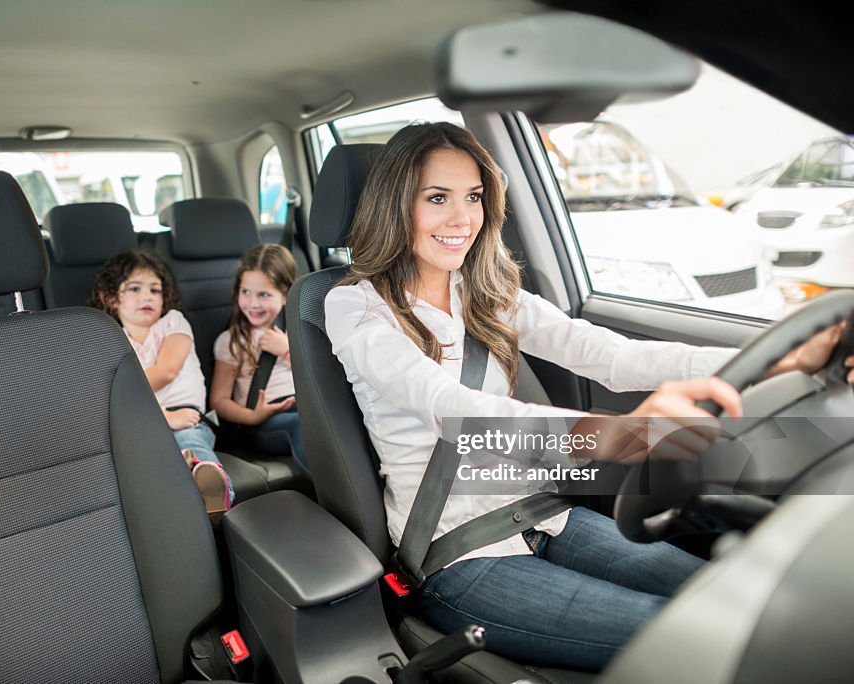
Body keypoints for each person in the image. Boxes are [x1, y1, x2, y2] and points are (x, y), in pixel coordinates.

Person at [323, 122, 853, 671]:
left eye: (474, 197)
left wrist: (780, 358)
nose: (463, 219)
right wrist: (619, 434)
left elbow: (615, 357)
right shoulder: (355, 307)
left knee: (735, 595)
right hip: (458, 554)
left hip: (546, 515)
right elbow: (458, 413)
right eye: (437, 198)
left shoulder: (486, 293)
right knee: (702, 635)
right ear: (392, 206)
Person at [90, 250, 234, 520]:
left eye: (155, 290)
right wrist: (161, 418)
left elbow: (166, 370)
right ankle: (181, 475)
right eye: (135, 288)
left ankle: (212, 488)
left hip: (185, 415)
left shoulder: (173, 322)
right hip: (138, 421)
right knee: (141, 455)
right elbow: (107, 396)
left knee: (191, 439)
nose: (147, 297)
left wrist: (165, 416)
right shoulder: (108, 338)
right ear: (109, 298)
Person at [210, 243, 309, 475]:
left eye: (264, 294)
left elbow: (320, 378)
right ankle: (339, 498)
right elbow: (219, 400)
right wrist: (252, 417)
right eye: (246, 292)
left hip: (306, 405)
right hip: (264, 421)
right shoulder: (232, 340)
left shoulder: (299, 330)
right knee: (304, 426)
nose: (253, 303)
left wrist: (287, 349)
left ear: (286, 295)